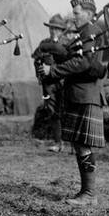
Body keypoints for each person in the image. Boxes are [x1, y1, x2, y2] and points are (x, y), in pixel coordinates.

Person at [38, 0, 107, 204]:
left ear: (88, 14)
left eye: (76, 13)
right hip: (79, 94)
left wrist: (54, 70)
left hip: (86, 95)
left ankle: (89, 193)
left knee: (84, 145)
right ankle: (86, 191)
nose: (73, 17)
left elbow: (85, 63)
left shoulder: (91, 32)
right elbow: (77, 59)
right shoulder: (83, 33)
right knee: (79, 145)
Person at [33, 13, 70, 149]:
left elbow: (71, 63)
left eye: (56, 28)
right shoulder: (44, 44)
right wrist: (40, 74)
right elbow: (37, 59)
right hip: (49, 84)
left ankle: (70, 143)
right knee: (52, 111)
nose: (53, 31)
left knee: (66, 110)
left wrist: (53, 68)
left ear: (61, 30)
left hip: (64, 82)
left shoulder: (67, 45)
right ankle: (58, 142)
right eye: (51, 28)